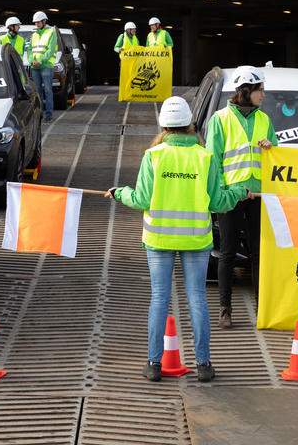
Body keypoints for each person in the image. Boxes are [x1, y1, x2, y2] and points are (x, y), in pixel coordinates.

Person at [106, 96, 248, 383]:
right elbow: (219, 202)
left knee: (159, 298)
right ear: (190, 124)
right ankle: (204, 365)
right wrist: (240, 193)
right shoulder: (205, 157)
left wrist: (119, 192)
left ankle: (153, 364)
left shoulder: (153, 157)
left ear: (163, 126)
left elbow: (142, 198)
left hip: (159, 239)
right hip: (195, 240)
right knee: (197, 298)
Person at [207, 65, 277, 329]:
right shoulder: (220, 119)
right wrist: (220, 196)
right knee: (227, 253)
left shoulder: (265, 120)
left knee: (260, 254)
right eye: (260, 90)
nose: (263, 95)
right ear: (246, 91)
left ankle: (261, 307)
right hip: (230, 197)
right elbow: (214, 161)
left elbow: (277, 157)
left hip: (258, 195)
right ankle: (225, 308)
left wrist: (272, 148)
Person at [28, 11, 57, 121]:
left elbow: (50, 50)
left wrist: (40, 60)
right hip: (35, 67)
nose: (36, 24)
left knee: (48, 91)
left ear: (44, 21)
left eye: (38, 22)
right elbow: (30, 50)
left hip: (46, 66)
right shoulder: (34, 35)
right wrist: (31, 61)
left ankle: (48, 114)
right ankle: (39, 113)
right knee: (38, 91)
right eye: (35, 23)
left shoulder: (51, 33)